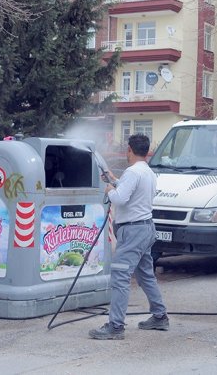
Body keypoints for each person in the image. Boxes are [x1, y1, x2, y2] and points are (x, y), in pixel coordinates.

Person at [89, 134, 168, 340]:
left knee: (120, 277)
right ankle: (160, 316)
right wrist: (115, 180)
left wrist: (109, 190)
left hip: (132, 231)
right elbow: (133, 193)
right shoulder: (148, 172)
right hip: (145, 228)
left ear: (130, 150)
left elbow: (121, 199)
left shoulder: (132, 172)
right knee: (145, 275)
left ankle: (115, 327)